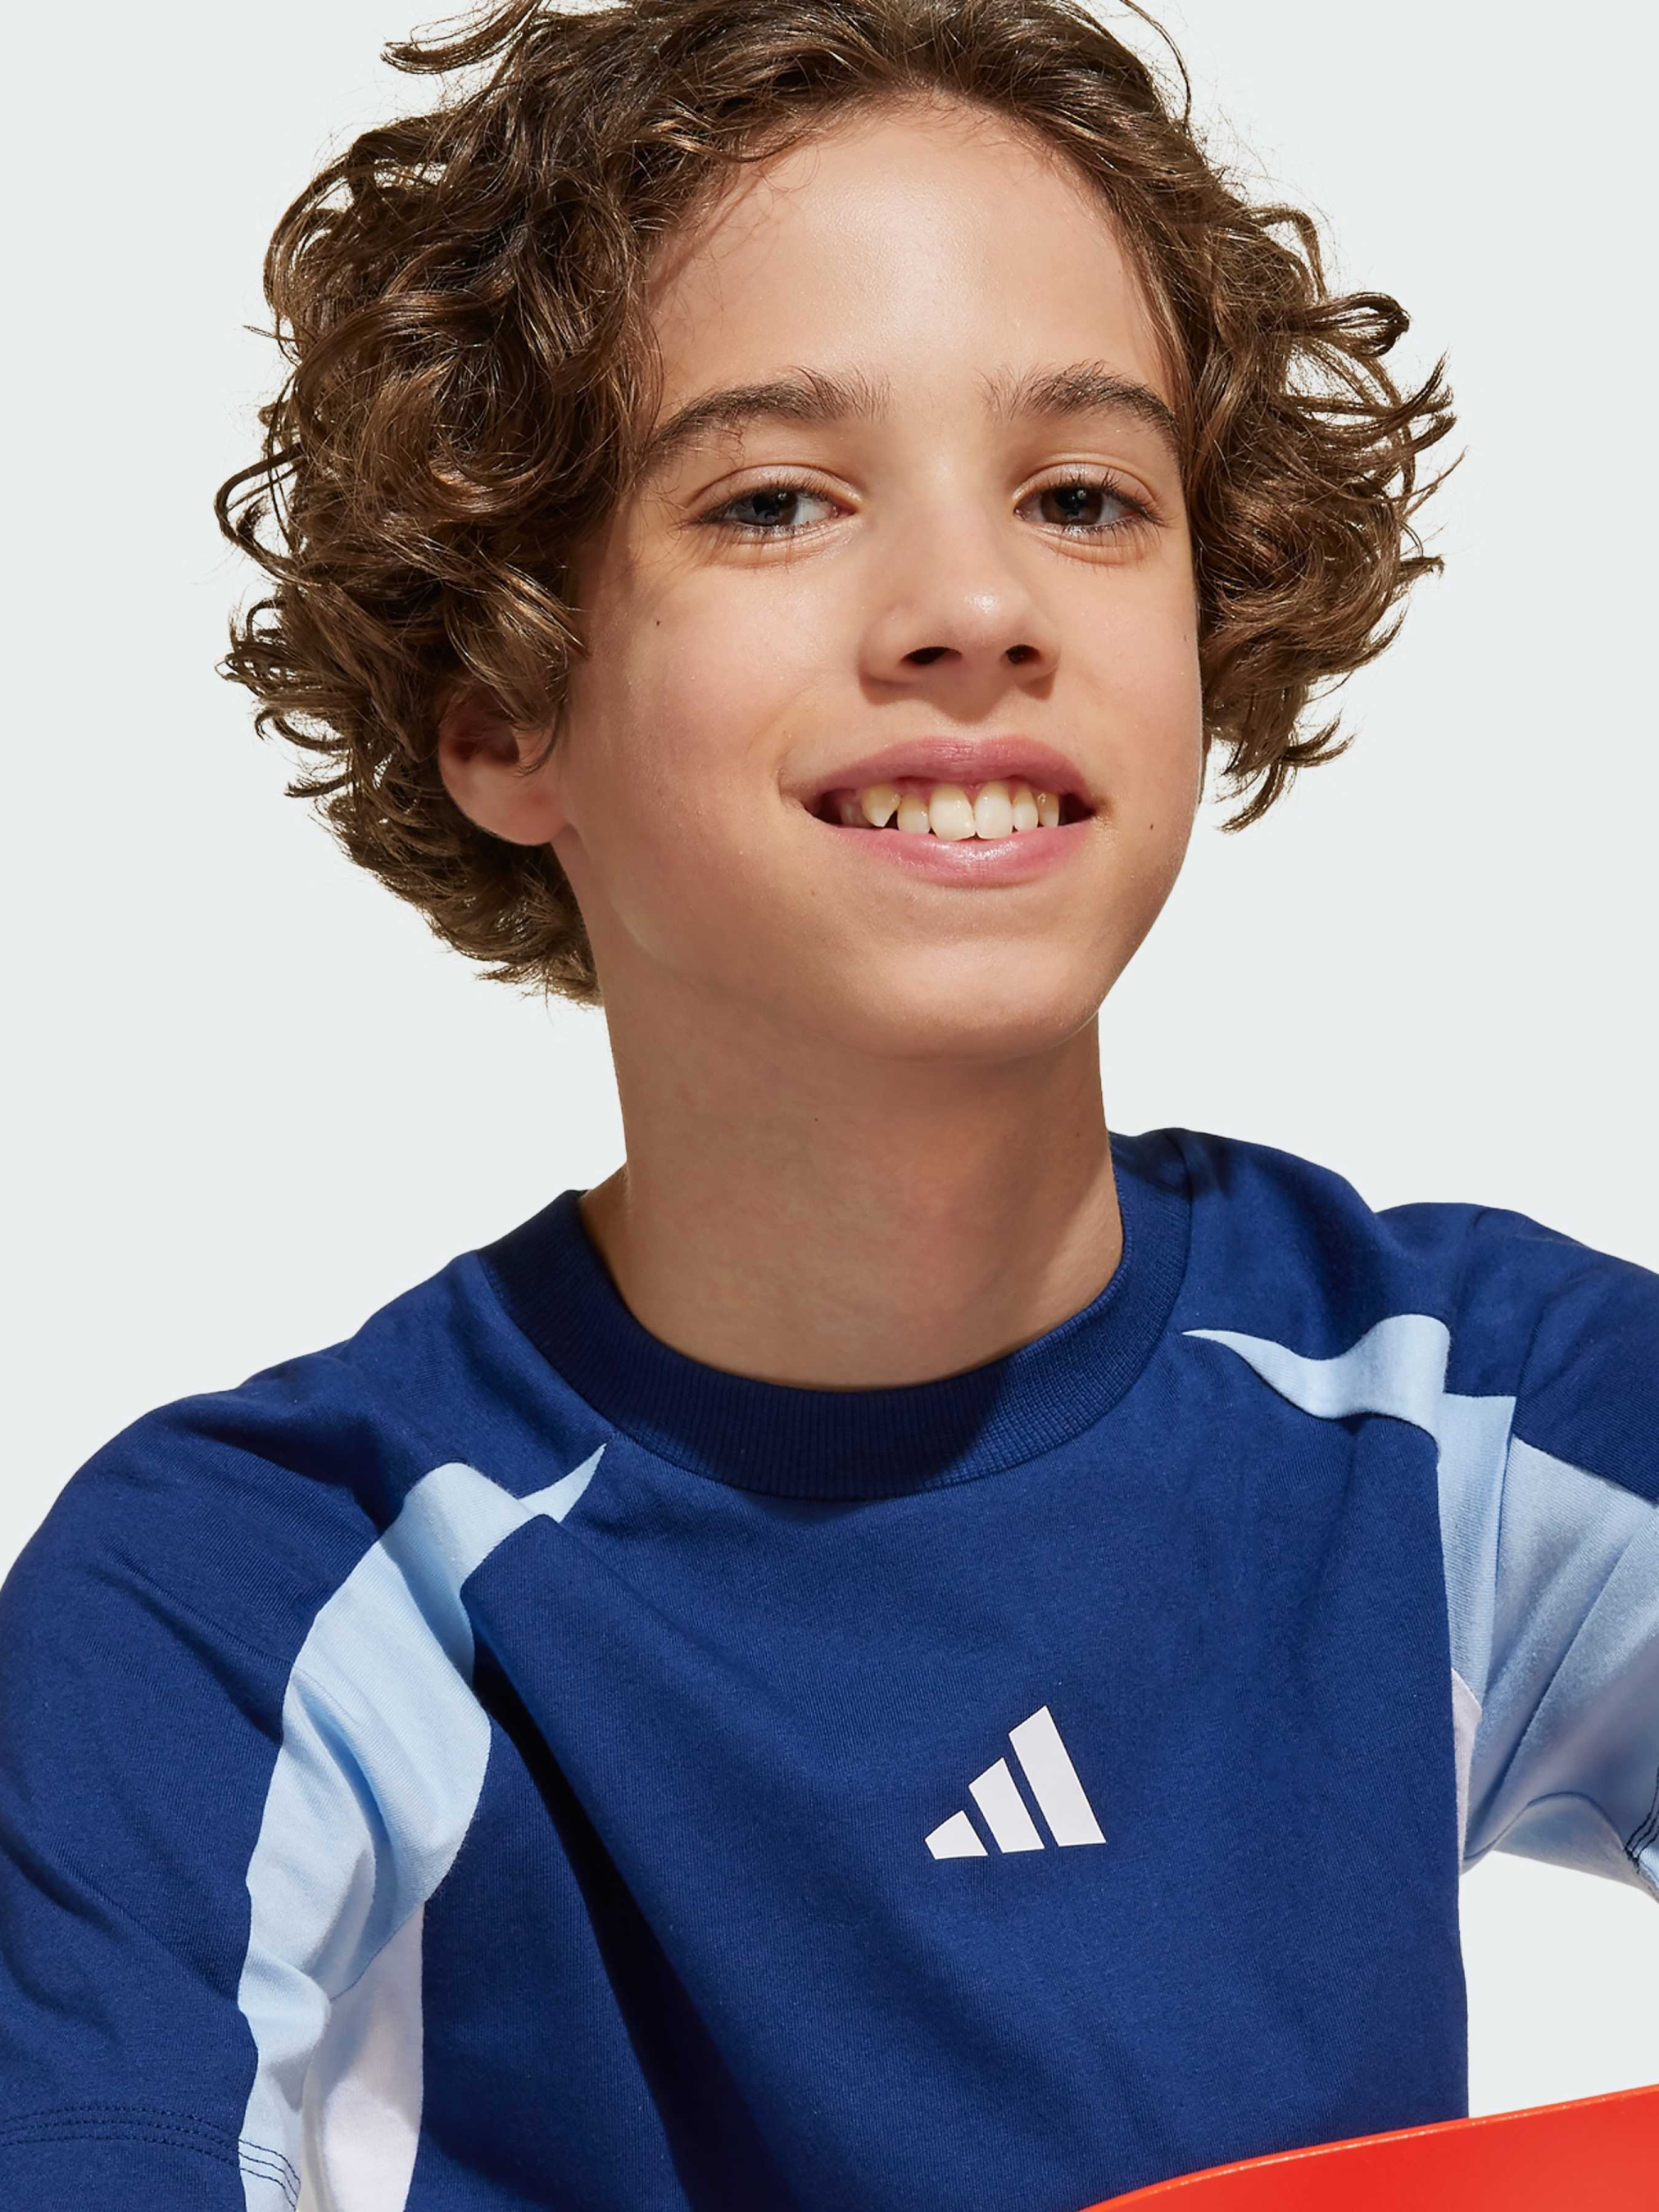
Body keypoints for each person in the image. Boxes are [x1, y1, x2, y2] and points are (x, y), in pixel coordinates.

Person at [1, 0, 1654, 2205]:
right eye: (774, 500)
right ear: (501, 703)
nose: (975, 605)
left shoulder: (1466, 1413)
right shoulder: (243, 1602)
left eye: (1084, 497)